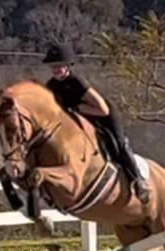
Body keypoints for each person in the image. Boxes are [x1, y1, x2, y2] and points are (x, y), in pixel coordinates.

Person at [43, 43, 151, 203]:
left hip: (101, 115)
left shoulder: (77, 82)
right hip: (78, 120)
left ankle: (138, 180)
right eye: (53, 66)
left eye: (59, 66)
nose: (56, 69)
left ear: (68, 66)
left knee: (118, 144)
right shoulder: (50, 86)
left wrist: (75, 108)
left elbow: (102, 109)